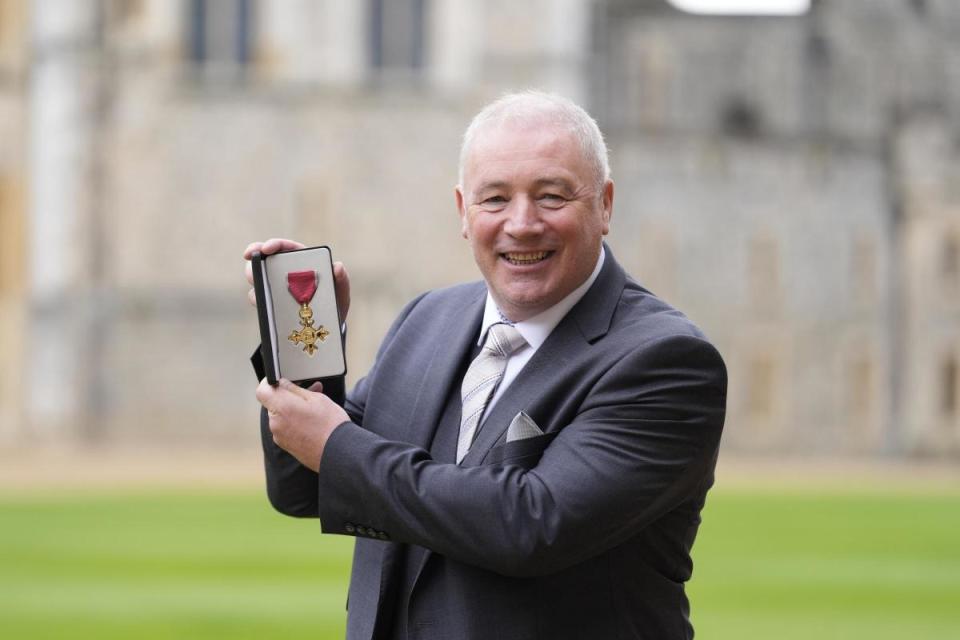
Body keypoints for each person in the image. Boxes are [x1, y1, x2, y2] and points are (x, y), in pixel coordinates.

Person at [244, 91, 727, 640]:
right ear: (463, 213)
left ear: (605, 205)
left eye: (551, 196)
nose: (521, 224)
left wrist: (335, 445)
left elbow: (531, 526)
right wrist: (306, 347)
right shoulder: (427, 319)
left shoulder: (666, 361)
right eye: (494, 199)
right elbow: (304, 488)